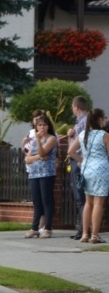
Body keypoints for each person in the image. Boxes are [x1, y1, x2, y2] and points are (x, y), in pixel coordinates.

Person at [68, 108, 109, 244]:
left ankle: (85, 234)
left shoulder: (83, 134)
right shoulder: (104, 135)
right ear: (99, 119)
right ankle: (95, 235)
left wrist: (82, 160)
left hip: (87, 170)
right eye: (104, 118)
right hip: (101, 170)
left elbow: (71, 151)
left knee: (88, 202)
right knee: (98, 203)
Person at [23, 113, 58, 239]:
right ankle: (34, 228)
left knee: (46, 201)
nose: (42, 127)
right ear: (36, 127)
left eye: (44, 125)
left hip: (46, 173)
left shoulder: (51, 139)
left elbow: (44, 151)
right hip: (34, 173)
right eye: (39, 125)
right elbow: (27, 159)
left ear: (48, 126)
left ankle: (47, 228)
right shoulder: (33, 141)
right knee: (37, 202)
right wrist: (38, 157)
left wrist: (38, 141)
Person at [67, 96, 89, 239]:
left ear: (76, 107)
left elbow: (81, 143)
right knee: (79, 196)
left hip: (79, 161)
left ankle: (83, 229)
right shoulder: (80, 122)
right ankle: (81, 228)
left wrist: (80, 160)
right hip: (76, 160)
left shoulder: (85, 121)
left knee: (81, 197)